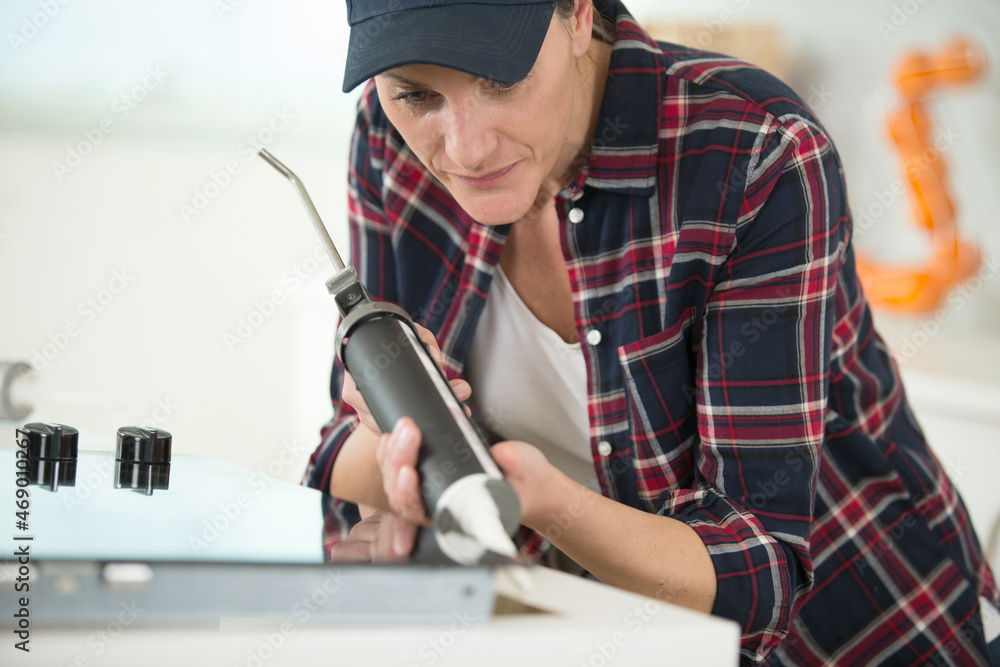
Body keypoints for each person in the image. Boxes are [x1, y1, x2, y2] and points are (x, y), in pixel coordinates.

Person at [303, 0, 1000, 664]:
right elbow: (349, 447)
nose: (466, 147)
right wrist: (397, 475)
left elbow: (757, 573)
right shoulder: (387, 141)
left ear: (578, 15)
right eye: (418, 95)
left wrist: (541, 502)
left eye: (500, 78)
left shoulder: (757, 153)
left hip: (865, 630)